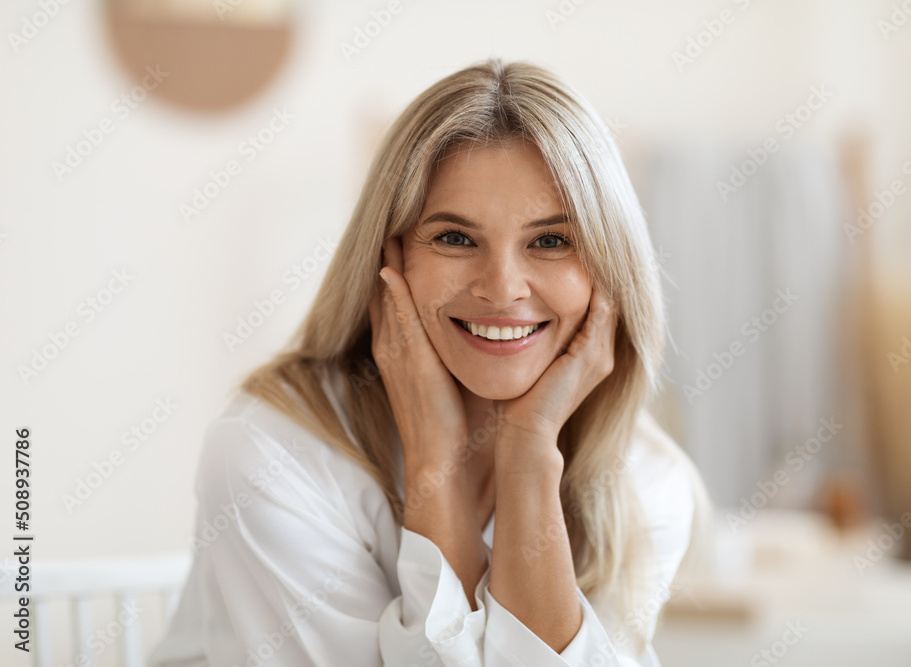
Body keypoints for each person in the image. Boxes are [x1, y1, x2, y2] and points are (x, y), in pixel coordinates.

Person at [148, 58, 710, 667]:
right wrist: (434, 461)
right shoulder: (271, 456)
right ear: (389, 261)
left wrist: (528, 455)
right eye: (455, 238)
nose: (502, 288)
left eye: (551, 241)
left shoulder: (644, 483)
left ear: (608, 271)